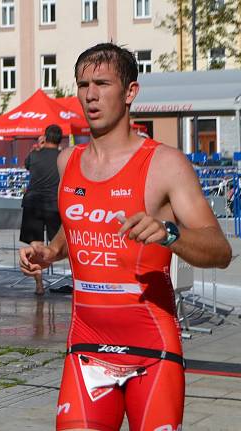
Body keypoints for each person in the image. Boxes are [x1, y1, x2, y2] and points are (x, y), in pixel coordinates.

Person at [19, 43, 231, 431]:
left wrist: (170, 234)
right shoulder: (68, 160)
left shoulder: (165, 164)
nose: (91, 95)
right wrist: (51, 251)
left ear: (130, 92)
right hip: (85, 345)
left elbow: (220, 251)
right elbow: (78, 225)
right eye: (83, 84)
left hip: (152, 350)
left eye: (102, 83)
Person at [20, 124, 63, 296]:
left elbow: (27, 165)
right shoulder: (63, 157)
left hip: (33, 203)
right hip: (54, 205)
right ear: (61, 140)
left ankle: (39, 285)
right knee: (60, 246)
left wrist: (40, 145)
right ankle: (79, 282)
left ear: (45, 137)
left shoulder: (34, 155)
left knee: (36, 247)